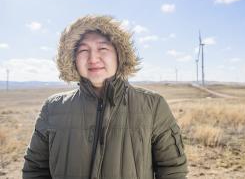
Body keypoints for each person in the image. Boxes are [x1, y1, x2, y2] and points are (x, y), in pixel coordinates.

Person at [22, 15, 188, 179]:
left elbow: (173, 170)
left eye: (103, 48)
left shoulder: (153, 106)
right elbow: (35, 169)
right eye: (83, 50)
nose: (93, 58)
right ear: (73, 59)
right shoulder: (53, 108)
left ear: (119, 55)